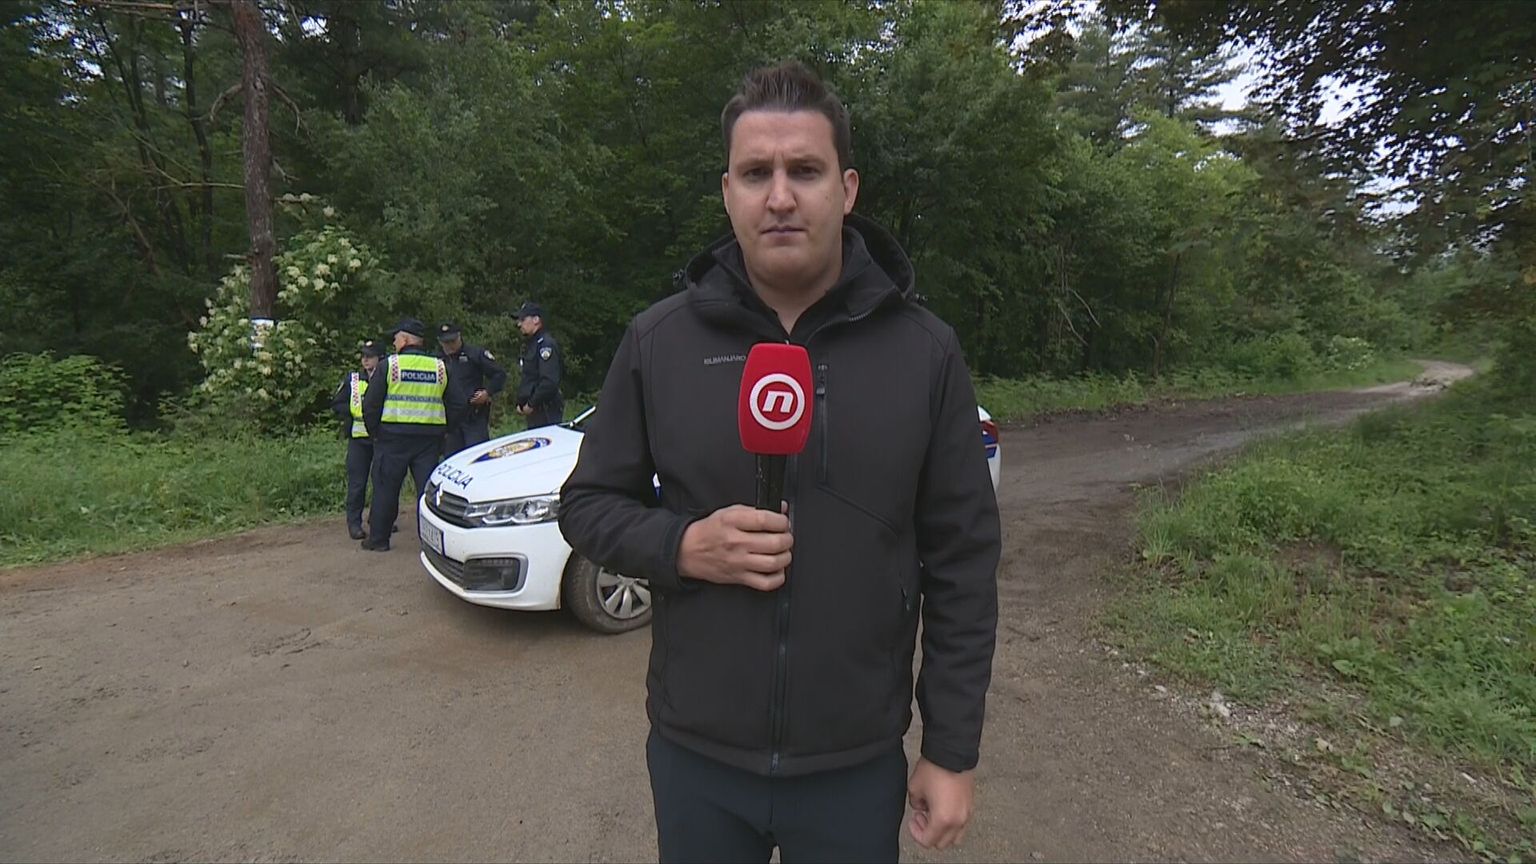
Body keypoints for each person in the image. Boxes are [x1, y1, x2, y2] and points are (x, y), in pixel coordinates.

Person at [557, 60, 1000, 863]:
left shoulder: (925, 352)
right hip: (697, 758)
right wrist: (682, 546)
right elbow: (587, 505)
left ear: (848, 189)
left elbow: (963, 561)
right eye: (757, 173)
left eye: (806, 170)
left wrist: (951, 748)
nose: (781, 196)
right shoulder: (659, 342)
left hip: (855, 762)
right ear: (728, 192)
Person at [360, 317, 461, 552]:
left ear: (405, 339)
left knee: (386, 489)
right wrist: (445, 430)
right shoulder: (439, 366)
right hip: (429, 440)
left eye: (396, 338)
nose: (394, 343)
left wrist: (375, 433)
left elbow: (371, 405)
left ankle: (379, 539)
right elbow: (458, 404)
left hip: (392, 437)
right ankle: (431, 543)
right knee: (427, 493)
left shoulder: (390, 365)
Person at [329, 338, 384, 541]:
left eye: (370, 356)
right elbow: (337, 404)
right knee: (357, 484)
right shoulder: (353, 380)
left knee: (382, 482)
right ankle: (354, 523)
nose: (365, 360)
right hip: (359, 440)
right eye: (363, 356)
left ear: (380, 358)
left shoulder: (387, 377)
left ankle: (379, 520)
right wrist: (354, 411)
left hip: (380, 439)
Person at [436, 320, 508, 454]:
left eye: (452, 341)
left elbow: (499, 374)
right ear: (440, 342)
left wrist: (487, 392)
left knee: (477, 455)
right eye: (446, 342)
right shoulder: (437, 360)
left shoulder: (475, 354)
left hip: (473, 416)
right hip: (450, 420)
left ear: (459, 336)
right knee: (452, 458)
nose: (450, 345)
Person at [513, 301, 564, 428]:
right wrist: (521, 402)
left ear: (536, 320)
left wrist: (532, 403)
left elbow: (549, 381)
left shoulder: (545, 345)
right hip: (534, 412)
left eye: (523, 319)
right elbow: (529, 378)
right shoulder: (530, 345)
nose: (519, 324)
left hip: (545, 410)